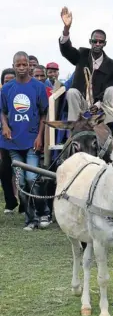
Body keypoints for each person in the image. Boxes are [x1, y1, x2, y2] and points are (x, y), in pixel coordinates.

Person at [0, 51, 51, 230]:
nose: (21, 68)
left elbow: (44, 113)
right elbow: (2, 111)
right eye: (18, 65)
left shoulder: (38, 87)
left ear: (29, 65)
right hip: (13, 142)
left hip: (31, 142)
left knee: (32, 178)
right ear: (13, 66)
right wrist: (5, 126)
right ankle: (30, 219)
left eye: (24, 65)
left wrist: (39, 136)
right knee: (20, 182)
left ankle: (43, 212)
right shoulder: (6, 89)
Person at [59, 7, 113, 121]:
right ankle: (75, 130)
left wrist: (98, 105)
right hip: (82, 105)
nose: (97, 44)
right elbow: (66, 51)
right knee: (72, 92)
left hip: (102, 107)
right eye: (94, 41)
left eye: (100, 42)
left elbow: (111, 90)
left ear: (104, 43)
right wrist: (66, 29)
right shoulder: (81, 55)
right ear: (90, 42)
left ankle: (110, 129)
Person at [0, 68, 21, 214]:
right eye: (6, 81)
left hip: (22, 139)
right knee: (4, 170)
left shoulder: (22, 97)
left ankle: (25, 204)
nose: (9, 83)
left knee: (22, 173)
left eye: (12, 80)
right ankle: (10, 202)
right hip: (4, 141)